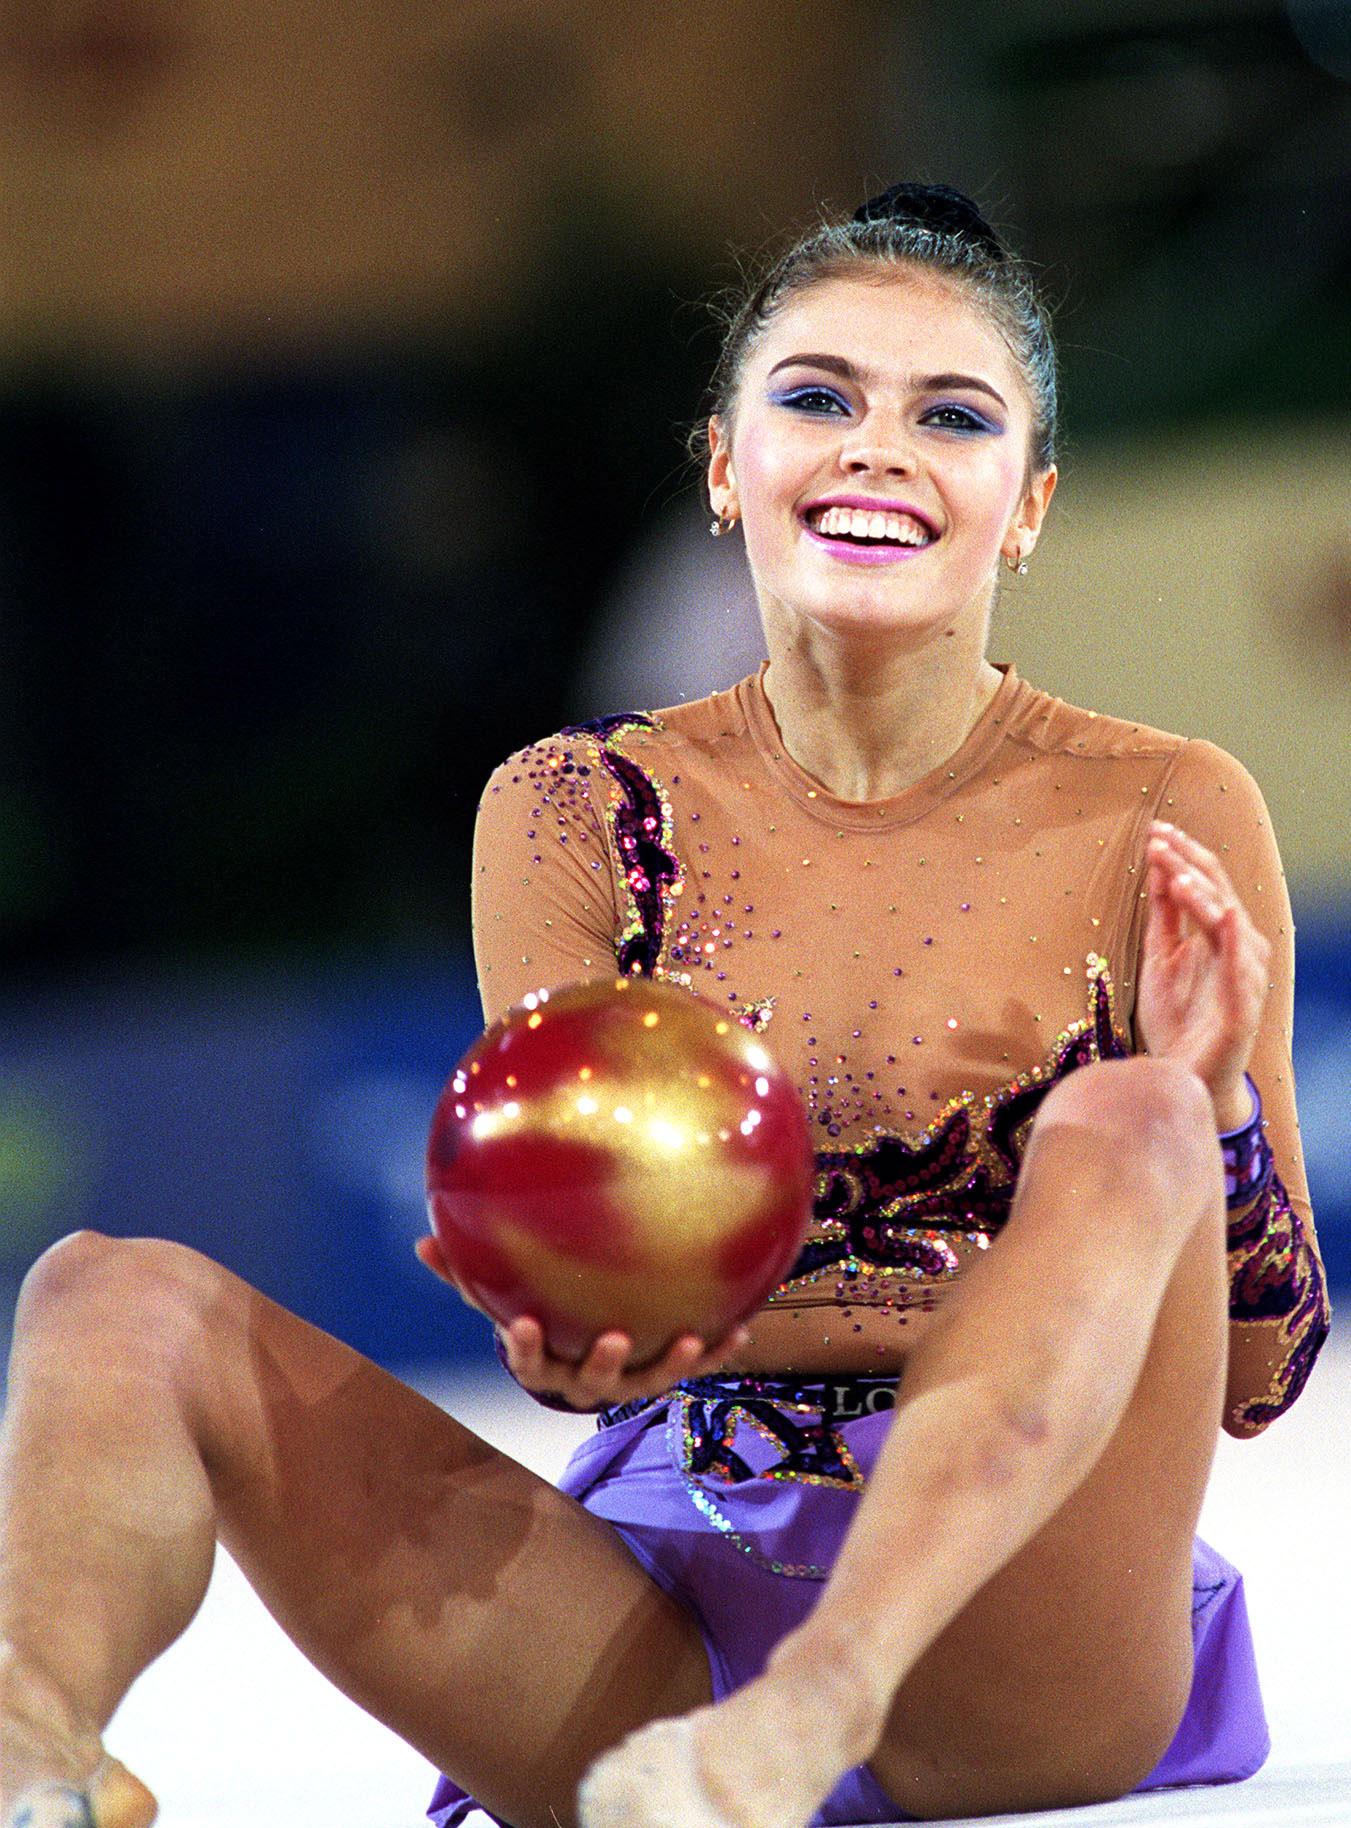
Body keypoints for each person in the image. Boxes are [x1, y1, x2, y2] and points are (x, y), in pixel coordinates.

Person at [0, 185, 1329, 1828]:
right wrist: (564, 1336)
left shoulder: (1165, 808)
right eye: (819, 397)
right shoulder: (574, 807)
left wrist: (1211, 1123)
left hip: (1016, 1641)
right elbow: (591, 1317)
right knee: (101, 1296)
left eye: (953, 415)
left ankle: (812, 1710)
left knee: (1129, 1116)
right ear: (724, 463)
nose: (878, 446)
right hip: (659, 1621)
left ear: (1030, 501)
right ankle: (32, 1752)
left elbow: (1262, 1370)